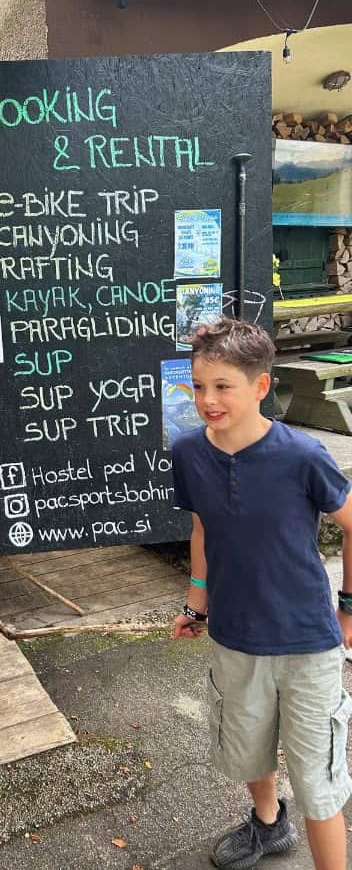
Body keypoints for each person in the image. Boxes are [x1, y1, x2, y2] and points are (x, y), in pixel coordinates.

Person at [172, 317, 352, 870]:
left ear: (260, 386)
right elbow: (203, 526)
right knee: (248, 745)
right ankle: (269, 824)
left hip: (307, 644)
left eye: (223, 386)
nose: (208, 400)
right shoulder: (187, 454)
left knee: (319, 782)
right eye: (199, 385)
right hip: (234, 636)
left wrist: (348, 607)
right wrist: (196, 603)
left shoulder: (303, 455)